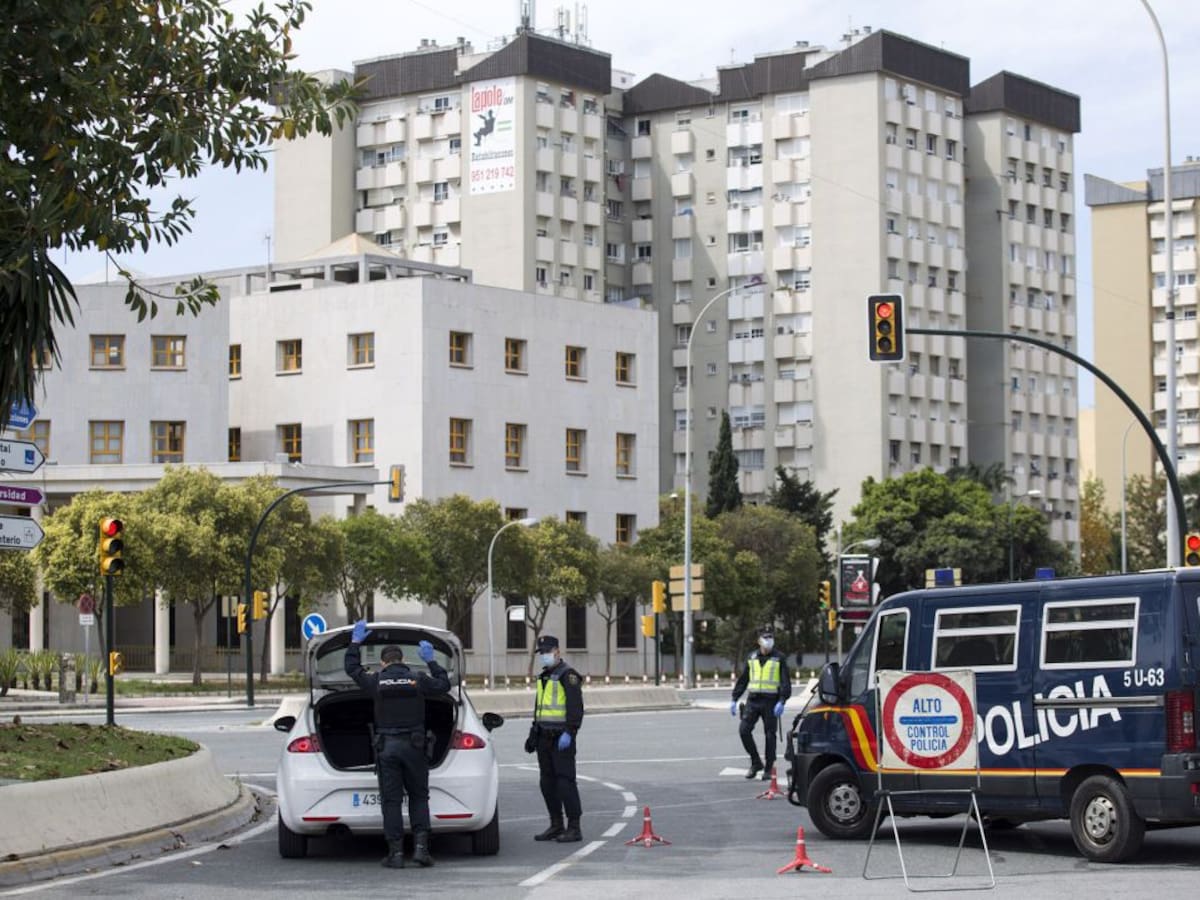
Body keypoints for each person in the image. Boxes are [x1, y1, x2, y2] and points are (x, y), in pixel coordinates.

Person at [344, 620, 450, 869]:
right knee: (419, 797)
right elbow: (444, 685)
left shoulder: (376, 681)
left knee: (391, 801)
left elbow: (351, 668)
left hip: (387, 747)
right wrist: (432, 661)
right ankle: (421, 851)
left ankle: (396, 854)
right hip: (415, 746)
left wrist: (355, 643)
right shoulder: (418, 679)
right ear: (403, 660)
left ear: (383, 662)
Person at [524, 634, 585, 843]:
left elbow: (575, 708)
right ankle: (556, 824)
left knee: (565, 783)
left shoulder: (568, 675)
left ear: (557, 651)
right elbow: (540, 708)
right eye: (541, 652)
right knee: (547, 783)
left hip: (561, 738)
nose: (544, 655)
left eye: (547, 652)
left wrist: (570, 731)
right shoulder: (544, 676)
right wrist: (533, 733)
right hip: (544, 737)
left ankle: (574, 827)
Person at [730, 628, 791, 780]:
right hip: (753, 700)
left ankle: (768, 768)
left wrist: (782, 701)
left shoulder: (779, 658)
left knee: (770, 735)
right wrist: (734, 698)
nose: (768, 641)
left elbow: (785, 682)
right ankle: (756, 762)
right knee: (744, 731)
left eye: (771, 638)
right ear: (759, 641)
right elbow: (744, 679)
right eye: (765, 638)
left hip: (771, 701)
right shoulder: (751, 657)